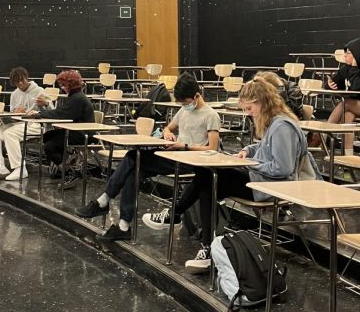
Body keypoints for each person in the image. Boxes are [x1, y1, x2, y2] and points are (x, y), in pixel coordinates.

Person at [150, 77, 320, 274]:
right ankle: (203, 245)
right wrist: (248, 150)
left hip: (272, 187)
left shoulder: (282, 127)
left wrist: (251, 164)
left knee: (208, 177)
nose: (247, 114)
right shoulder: (276, 122)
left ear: (261, 102)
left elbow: (282, 169)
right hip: (262, 180)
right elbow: (265, 147)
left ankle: (178, 217)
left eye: (249, 109)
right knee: (208, 181)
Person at [76, 73, 220, 242]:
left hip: (191, 160)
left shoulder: (210, 116)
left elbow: (212, 148)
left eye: (186, 102)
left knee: (132, 156)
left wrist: (184, 146)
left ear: (196, 95)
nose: (183, 105)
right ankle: (123, 226)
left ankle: (104, 201)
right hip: (175, 153)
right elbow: (169, 128)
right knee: (134, 172)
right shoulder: (183, 111)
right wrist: (168, 135)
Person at [31, 70, 95, 178]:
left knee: (49, 146)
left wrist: (41, 113)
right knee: (48, 136)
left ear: (71, 84)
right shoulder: (75, 96)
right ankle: (60, 165)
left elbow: (62, 114)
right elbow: (62, 113)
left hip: (82, 134)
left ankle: (66, 169)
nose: (62, 87)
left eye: (64, 85)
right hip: (77, 131)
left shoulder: (77, 98)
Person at [0, 67, 42, 181]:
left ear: (27, 78)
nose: (20, 83)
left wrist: (44, 105)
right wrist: (14, 112)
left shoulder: (39, 91)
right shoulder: (14, 94)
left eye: (22, 80)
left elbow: (52, 111)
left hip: (35, 124)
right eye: (17, 81)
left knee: (9, 133)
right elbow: (12, 115)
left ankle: (20, 169)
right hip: (19, 123)